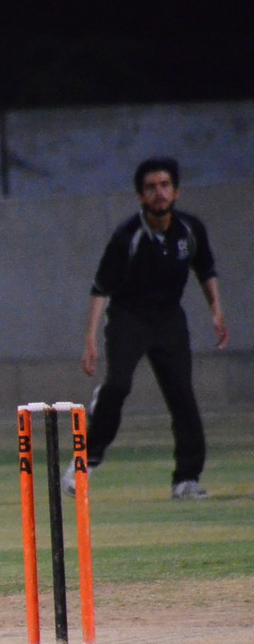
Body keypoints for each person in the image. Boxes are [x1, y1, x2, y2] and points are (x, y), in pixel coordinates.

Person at [64, 157, 228, 501]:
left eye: (165, 185)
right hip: (129, 318)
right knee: (118, 386)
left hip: (169, 320)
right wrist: (90, 339)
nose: (159, 193)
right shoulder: (128, 236)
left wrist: (216, 312)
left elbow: (205, 270)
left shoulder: (190, 230)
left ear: (176, 191)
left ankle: (186, 480)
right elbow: (100, 289)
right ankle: (85, 463)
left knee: (182, 396)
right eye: (151, 188)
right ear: (141, 196)